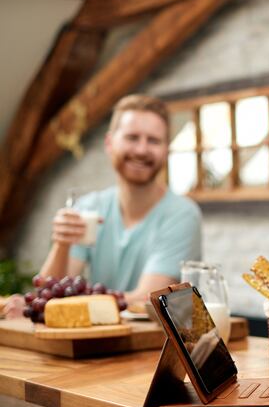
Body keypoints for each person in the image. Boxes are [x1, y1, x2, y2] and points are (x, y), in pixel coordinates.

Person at [4, 94, 202, 317]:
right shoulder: (89, 208)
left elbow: (146, 300)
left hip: (155, 346)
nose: (141, 150)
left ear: (166, 150)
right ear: (110, 143)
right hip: (95, 344)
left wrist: (68, 305)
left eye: (153, 141)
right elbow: (47, 296)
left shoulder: (182, 214)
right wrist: (62, 244)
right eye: (132, 137)